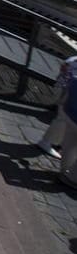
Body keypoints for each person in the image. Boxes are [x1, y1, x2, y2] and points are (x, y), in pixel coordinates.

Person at [35, 54, 77, 182]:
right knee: (67, 132)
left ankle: (67, 172)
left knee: (69, 135)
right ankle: (69, 175)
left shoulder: (73, 60)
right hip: (68, 101)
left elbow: (65, 75)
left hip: (68, 101)